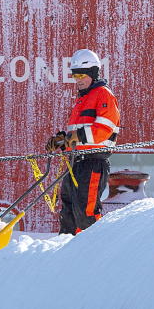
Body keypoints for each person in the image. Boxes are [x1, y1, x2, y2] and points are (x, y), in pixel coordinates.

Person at [46, 49, 121, 234]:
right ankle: (67, 251)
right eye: (74, 75)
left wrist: (76, 137)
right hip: (75, 163)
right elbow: (76, 137)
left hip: (93, 162)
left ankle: (93, 254)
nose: (77, 79)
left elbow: (104, 130)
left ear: (93, 74)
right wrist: (62, 141)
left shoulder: (103, 95)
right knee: (69, 212)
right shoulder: (82, 100)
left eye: (82, 75)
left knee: (86, 213)